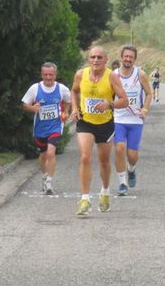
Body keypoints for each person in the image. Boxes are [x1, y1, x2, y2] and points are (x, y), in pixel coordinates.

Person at [70, 46, 129, 216]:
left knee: (104, 162)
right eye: (92, 57)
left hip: (105, 124)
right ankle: (85, 199)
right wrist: (74, 108)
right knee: (85, 157)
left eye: (99, 57)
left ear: (105, 60)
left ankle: (104, 192)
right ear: (89, 59)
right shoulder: (81, 74)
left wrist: (109, 104)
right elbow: (74, 91)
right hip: (85, 122)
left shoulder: (111, 76)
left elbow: (124, 101)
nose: (95, 60)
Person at [22, 62, 71, 195]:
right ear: (41, 75)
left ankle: (49, 182)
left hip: (55, 126)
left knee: (51, 152)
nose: (48, 78)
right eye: (45, 75)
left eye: (51, 75)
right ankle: (44, 176)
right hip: (40, 128)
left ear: (55, 75)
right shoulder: (35, 88)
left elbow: (68, 101)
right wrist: (33, 108)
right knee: (43, 155)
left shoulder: (61, 89)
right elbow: (25, 105)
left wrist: (65, 112)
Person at [112, 45, 153, 196]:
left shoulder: (140, 74)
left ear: (135, 59)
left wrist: (145, 109)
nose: (128, 59)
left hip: (135, 120)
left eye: (131, 57)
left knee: (132, 156)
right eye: (126, 56)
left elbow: (149, 94)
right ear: (121, 57)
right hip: (118, 119)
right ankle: (122, 183)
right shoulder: (114, 75)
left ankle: (131, 170)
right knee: (119, 149)